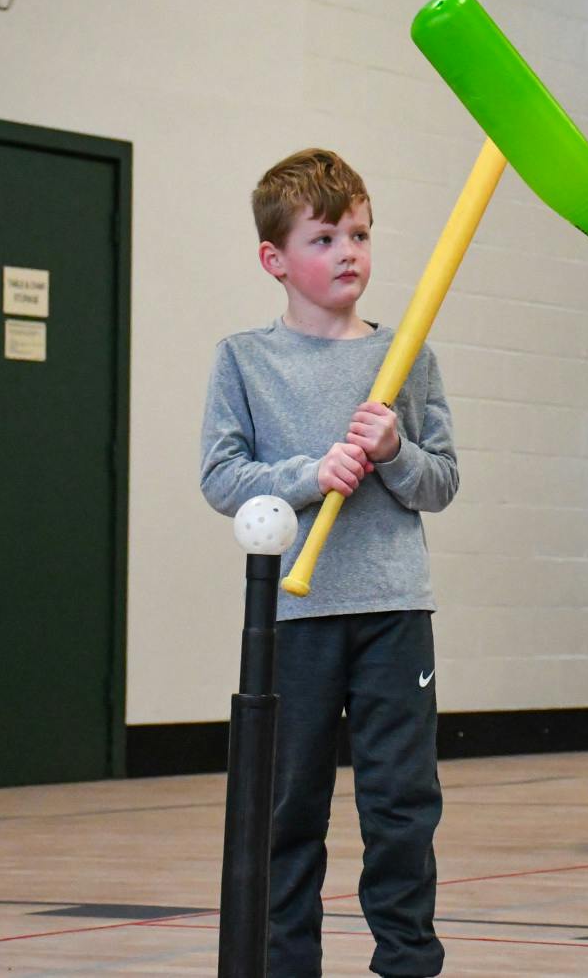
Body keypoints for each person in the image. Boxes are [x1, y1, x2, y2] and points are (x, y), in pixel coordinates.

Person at [201, 148, 460, 976]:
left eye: (360, 233)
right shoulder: (244, 360)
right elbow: (222, 477)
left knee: (401, 807)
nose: (349, 251)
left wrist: (393, 452)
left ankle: (407, 962)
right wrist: (312, 474)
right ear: (275, 259)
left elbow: (442, 481)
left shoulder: (407, 356)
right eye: (324, 238)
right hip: (295, 619)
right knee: (288, 811)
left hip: (393, 612)